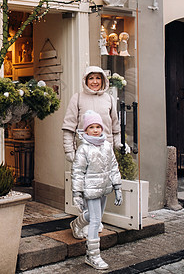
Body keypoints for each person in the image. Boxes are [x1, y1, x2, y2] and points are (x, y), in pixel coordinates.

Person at [71, 110, 122, 270]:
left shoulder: (107, 145)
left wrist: (118, 187)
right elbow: (77, 172)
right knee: (95, 221)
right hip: (91, 190)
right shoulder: (83, 149)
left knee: (95, 216)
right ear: (85, 130)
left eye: (98, 126)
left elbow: (113, 166)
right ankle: (92, 255)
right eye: (91, 127)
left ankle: (76, 224)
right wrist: (77, 194)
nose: (95, 130)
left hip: (104, 188)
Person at [62, 66, 122, 164]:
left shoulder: (109, 99)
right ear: (85, 80)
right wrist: (69, 150)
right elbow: (68, 127)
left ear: (103, 80)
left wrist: (118, 143)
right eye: (91, 78)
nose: (95, 82)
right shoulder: (77, 98)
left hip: (105, 151)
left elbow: (115, 127)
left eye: (98, 78)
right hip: (84, 152)